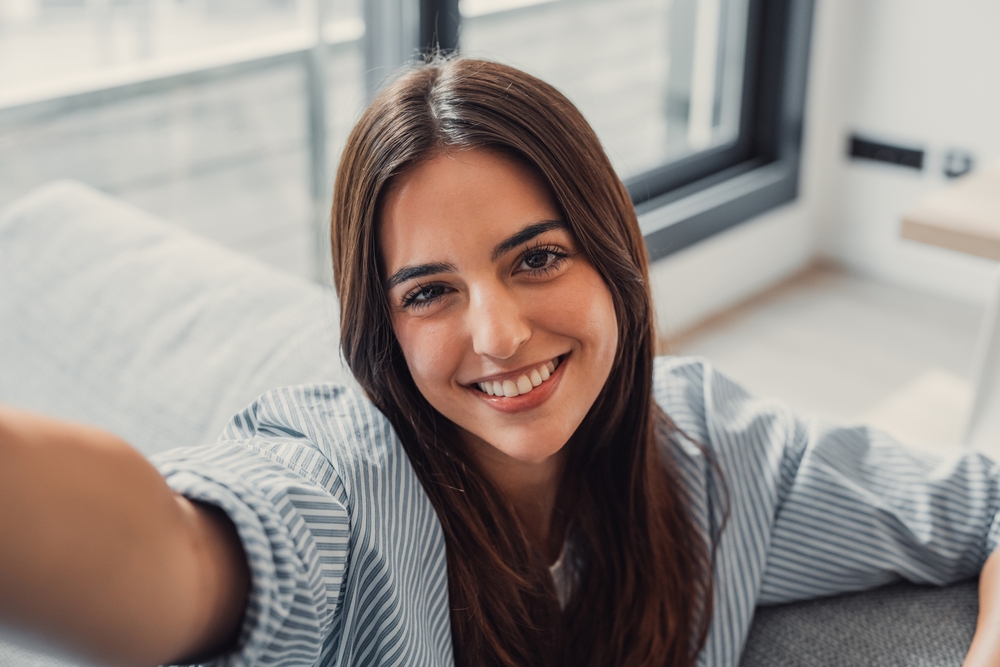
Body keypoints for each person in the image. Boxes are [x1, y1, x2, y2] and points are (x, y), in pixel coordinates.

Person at [1, 57, 1000, 667]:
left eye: (536, 258)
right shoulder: (340, 488)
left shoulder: (727, 454)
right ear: (380, 329)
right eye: (429, 292)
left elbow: (985, 503)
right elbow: (171, 551)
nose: (499, 335)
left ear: (610, 255)